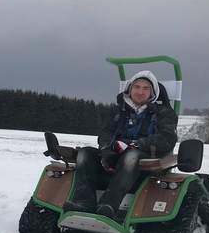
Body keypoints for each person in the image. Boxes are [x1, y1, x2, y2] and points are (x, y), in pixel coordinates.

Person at [63, 70, 178, 220]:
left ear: (153, 93)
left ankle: (109, 205)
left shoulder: (164, 113)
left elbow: (167, 138)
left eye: (146, 88)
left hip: (146, 157)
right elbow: (106, 132)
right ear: (130, 89)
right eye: (137, 87)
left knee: (131, 156)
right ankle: (84, 202)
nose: (140, 92)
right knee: (85, 153)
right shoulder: (117, 110)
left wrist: (137, 144)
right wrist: (106, 148)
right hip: (116, 153)